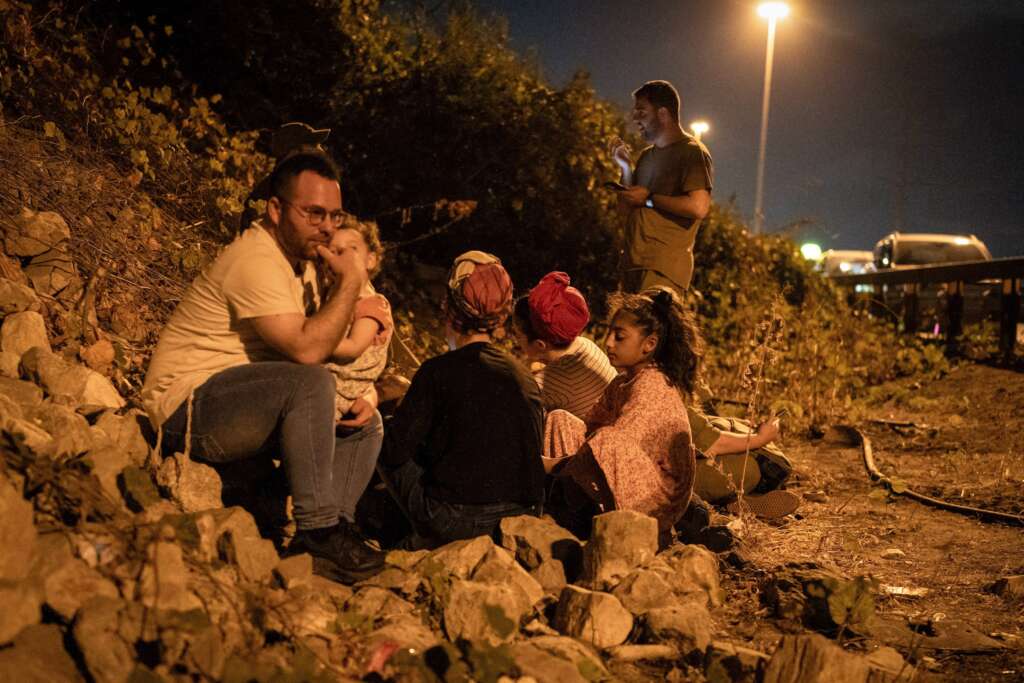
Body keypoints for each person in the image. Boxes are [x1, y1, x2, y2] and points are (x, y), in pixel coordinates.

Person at [142, 150, 385, 583]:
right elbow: (310, 352)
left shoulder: (306, 262)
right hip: (187, 408)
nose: (327, 228)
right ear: (275, 209)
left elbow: (337, 348)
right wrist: (351, 281)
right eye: (313, 213)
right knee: (308, 382)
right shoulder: (255, 259)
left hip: (248, 401)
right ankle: (317, 530)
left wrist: (367, 393)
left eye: (334, 215)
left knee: (365, 424)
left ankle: (334, 527)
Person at [376, 251, 545, 549]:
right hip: (521, 517)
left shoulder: (436, 372)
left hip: (457, 520)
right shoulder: (524, 377)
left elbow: (394, 452)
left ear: (450, 307)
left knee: (381, 435)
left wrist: (389, 408)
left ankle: (418, 538)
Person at [544, 287, 699, 539]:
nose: (608, 342)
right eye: (609, 333)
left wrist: (552, 465)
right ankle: (565, 504)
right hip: (630, 475)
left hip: (657, 500)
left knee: (609, 440)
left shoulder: (653, 385)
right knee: (561, 419)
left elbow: (614, 445)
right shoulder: (622, 382)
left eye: (619, 337)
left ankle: (568, 509)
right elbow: (589, 427)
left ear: (649, 344)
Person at [610, 80, 713, 295]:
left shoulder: (692, 152)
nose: (635, 118)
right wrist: (626, 169)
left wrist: (649, 198)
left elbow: (699, 207)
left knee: (648, 329)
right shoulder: (647, 156)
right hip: (631, 265)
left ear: (663, 114)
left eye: (642, 112)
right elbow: (624, 212)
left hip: (663, 270)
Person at [510, 271, 617, 421]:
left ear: (540, 344)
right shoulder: (586, 345)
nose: (515, 341)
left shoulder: (550, 381)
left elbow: (511, 408)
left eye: (518, 335)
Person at [320, 217, 394, 423]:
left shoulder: (372, 304)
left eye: (351, 249)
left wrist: (313, 339)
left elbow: (353, 347)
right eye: (333, 250)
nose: (340, 255)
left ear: (370, 260)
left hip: (342, 391)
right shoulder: (328, 293)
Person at [240, 122, 331, 232]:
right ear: (293, 154)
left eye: (317, 145)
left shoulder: (319, 187)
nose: (319, 150)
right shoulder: (273, 189)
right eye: (312, 145)